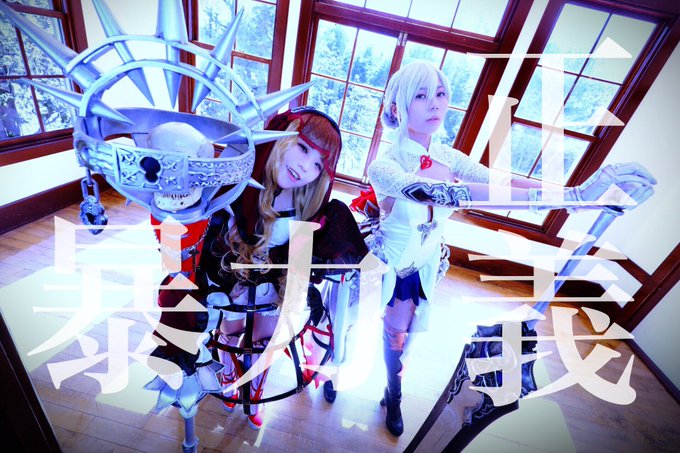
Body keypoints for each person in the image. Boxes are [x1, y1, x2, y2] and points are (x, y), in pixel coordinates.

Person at [366, 60, 656, 437]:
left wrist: (574, 195)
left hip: (427, 260)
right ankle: (393, 392)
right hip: (396, 266)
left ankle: (394, 381)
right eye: (421, 96)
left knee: (412, 333)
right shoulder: (383, 166)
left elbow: (499, 182)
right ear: (398, 105)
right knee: (396, 333)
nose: (435, 103)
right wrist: (574, 199)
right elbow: (445, 193)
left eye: (440, 93)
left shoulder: (448, 156)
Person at [194, 106, 367, 429]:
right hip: (231, 274)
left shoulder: (306, 207)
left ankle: (254, 392)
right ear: (280, 136)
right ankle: (230, 380)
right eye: (302, 147)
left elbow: (300, 263)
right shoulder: (238, 185)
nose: (305, 167)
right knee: (230, 334)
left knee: (265, 340)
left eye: (318, 164)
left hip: (272, 281)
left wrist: (293, 293)